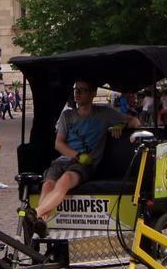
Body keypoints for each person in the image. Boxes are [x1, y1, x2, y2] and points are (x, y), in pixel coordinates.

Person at [28, 80, 139, 237]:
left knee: (65, 180)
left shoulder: (104, 114)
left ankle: (36, 214)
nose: (77, 93)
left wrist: (121, 126)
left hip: (86, 165)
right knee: (48, 184)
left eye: (83, 90)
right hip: (66, 159)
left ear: (93, 93)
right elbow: (58, 144)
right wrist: (77, 155)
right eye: (76, 89)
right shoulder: (67, 116)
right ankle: (40, 222)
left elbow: (135, 121)